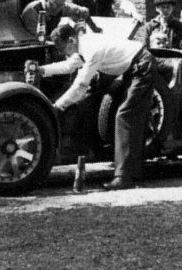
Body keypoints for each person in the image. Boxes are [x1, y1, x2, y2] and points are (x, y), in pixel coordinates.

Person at [40, 23, 157, 190]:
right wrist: (42, 70)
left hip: (141, 66)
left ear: (71, 40)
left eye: (61, 48)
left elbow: (80, 86)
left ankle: (123, 177)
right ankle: (133, 172)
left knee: (124, 116)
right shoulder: (82, 44)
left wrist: (58, 106)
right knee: (120, 112)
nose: (60, 52)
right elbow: (69, 65)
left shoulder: (92, 49)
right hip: (130, 67)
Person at [20, 0, 89, 41]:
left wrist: (83, 13)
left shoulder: (61, 6)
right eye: (54, 4)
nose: (57, 9)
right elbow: (35, 38)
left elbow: (81, 10)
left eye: (60, 5)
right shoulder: (32, 11)